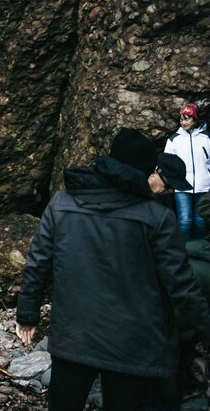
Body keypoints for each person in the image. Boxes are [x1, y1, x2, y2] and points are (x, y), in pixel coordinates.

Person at [16, 128, 210, 410]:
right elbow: (181, 286)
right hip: (131, 344)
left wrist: (27, 313)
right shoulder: (158, 218)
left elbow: (38, 261)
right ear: (147, 171)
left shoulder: (61, 203)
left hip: (73, 336)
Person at [164, 103, 210, 242]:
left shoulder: (206, 138)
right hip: (182, 187)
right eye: (182, 119)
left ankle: (197, 254)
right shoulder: (173, 140)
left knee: (201, 222)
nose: (184, 122)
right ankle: (183, 255)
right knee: (184, 222)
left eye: (187, 118)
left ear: (195, 120)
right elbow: (167, 164)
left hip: (204, 186)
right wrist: (171, 184)